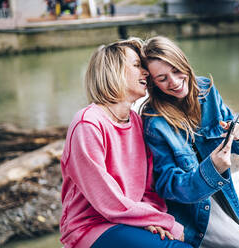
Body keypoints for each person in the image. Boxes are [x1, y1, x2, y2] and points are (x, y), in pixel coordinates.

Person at [59, 38, 192, 248]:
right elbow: (107, 200)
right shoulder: (88, 123)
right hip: (91, 227)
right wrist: (161, 221)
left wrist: (152, 221)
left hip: (126, 221)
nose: (146, 73)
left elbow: (148, 189)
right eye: (137, 65)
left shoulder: (137, 122)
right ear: (115, 70)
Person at [141, 36, 239, 248]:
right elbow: (168, 185)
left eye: (177, 70)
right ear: (153, 83)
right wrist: (211, 169)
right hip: (193, 212)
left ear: (184, 63)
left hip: (223, 196)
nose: (175, 82)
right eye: (162, 78)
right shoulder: (154, 122)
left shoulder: (206, 90)